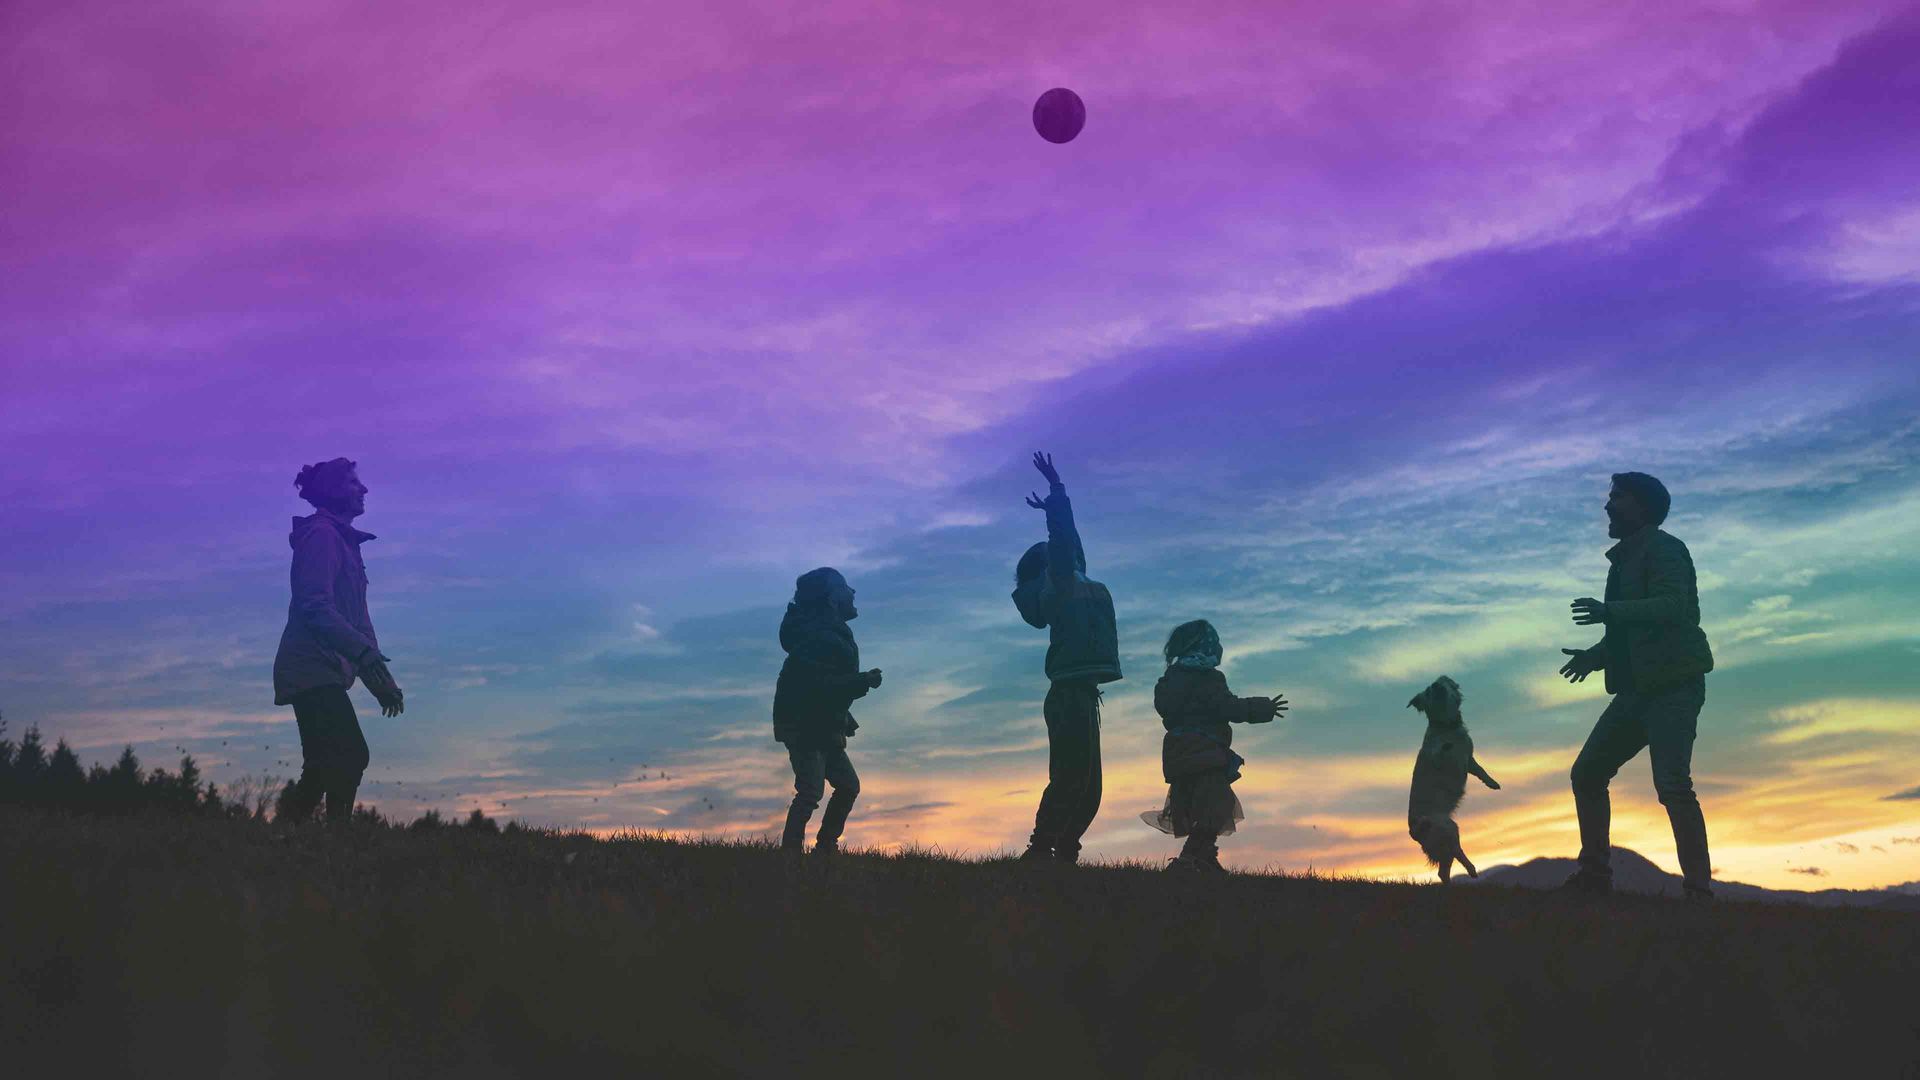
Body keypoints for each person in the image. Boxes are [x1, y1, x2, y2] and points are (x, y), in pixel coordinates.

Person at [1557, 472, 1716, 900]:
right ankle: (1594, 875)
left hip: (1674, 686)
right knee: (1588, 773)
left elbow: (1672, 607)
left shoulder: (1666, 549)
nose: (1608, 506)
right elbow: (1632, 631)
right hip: (1636, 691)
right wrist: (1595, 656)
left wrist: (1610, 611)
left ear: (1641, 506)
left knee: (1673, 785)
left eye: (1617, 497)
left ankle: (1699, 893)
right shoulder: (1624, 560)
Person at [272, 458, 404, 824]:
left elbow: (359, 620)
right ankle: (335, 837)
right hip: (309, 668)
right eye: (352, 482)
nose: (363, 489)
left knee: (323, 762)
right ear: (332, 490)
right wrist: (366, 657)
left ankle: (292, 836)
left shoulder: (345, 544)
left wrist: (379, 678)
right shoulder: (322, 536)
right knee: (348, 754)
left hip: (325, 668)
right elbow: (314, 605)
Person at [1012, 452, 1122, 865]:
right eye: (1058, 552)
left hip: (1082, 692)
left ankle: (1065, 848)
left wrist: (1058, 506)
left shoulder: (1074, 578)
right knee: (1072, 776)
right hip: (1069, 693)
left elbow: (1070, 542)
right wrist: (1057, 491)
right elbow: (1063, 541)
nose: (1072, 552)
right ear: (1050, 566)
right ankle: (1042, 848)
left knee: (1090, 784)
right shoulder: (1058, 586)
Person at [1141, 620, 1286, 873]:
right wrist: (1262, 708)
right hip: (1205, 752)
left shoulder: (1171, 679)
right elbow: (1227, 706)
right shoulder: (1209, 679)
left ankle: (1205, 858)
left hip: (1179, 755)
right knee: (1216, 807)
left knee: (1199, 805)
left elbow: (1164, 706)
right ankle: (1190, 858)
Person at [772, 567, 882, 860]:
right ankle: (791, 854)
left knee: (847, 786)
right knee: (810, 791)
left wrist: (843, 716)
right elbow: (821, 685)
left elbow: (824, 689)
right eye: (845, 587)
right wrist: (863, 680)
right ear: (832, 598)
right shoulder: (820, 637)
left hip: (822, 726)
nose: (853, 593)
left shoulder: (828, 634)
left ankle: (825, 847)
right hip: (805, 728)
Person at [1405, 675, 1499, 883]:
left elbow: (1467, 761)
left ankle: (1445, 881)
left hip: (1430, 818)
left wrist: (1486, 778)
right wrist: (1445, 749)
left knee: (1448, 832)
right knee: (1448, 831)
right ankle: (1465, 863)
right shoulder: (1433, 742)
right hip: (1424, 818)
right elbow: (1436, 757)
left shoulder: (1461, 736)